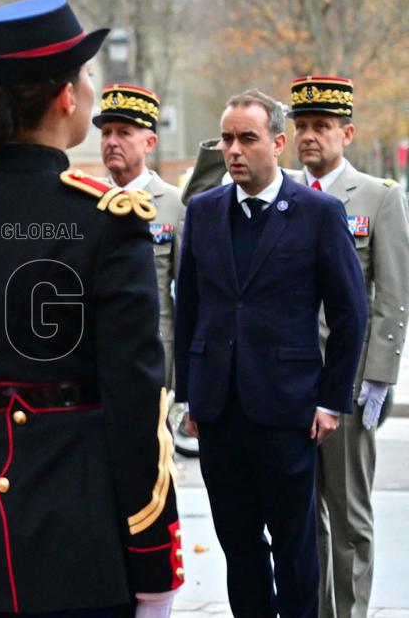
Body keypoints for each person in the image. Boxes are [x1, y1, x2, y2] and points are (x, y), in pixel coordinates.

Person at [0, 0, 183, 617]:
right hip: (77, 531)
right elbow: (135, 402)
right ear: (67, 97)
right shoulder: (107, 221)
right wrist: (153, 559)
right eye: (87, 75)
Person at [175, 89, 368, 618]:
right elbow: (189, 308)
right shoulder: (203, 211)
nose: (234, 150)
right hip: (219, 409)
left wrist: (331, 400)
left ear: (278, 143)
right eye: (227, 139)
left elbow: (350, 315)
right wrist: (190, 395)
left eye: (247, 138)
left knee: (294, 546)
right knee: (238, 545)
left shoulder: (318, 213)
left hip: (288, 409)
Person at [284, 76, 409, 618]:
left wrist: (379, 376)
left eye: (322, 126)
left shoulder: (379, 197)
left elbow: (393, 295)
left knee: (350, 515)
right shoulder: (281, 193)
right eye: (302, 126)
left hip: (350, 383)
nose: (309, 136)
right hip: (290, 380)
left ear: (347, 133)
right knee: (303, 517)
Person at [93, 84, 184, 390]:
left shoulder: (175, 204)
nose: (112, 142)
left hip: (154, 356)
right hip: (98, 357)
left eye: (124, 133)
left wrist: (182, 382)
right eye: (106, 133)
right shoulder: (88, 201)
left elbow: (188, 297)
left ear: (150, 142)